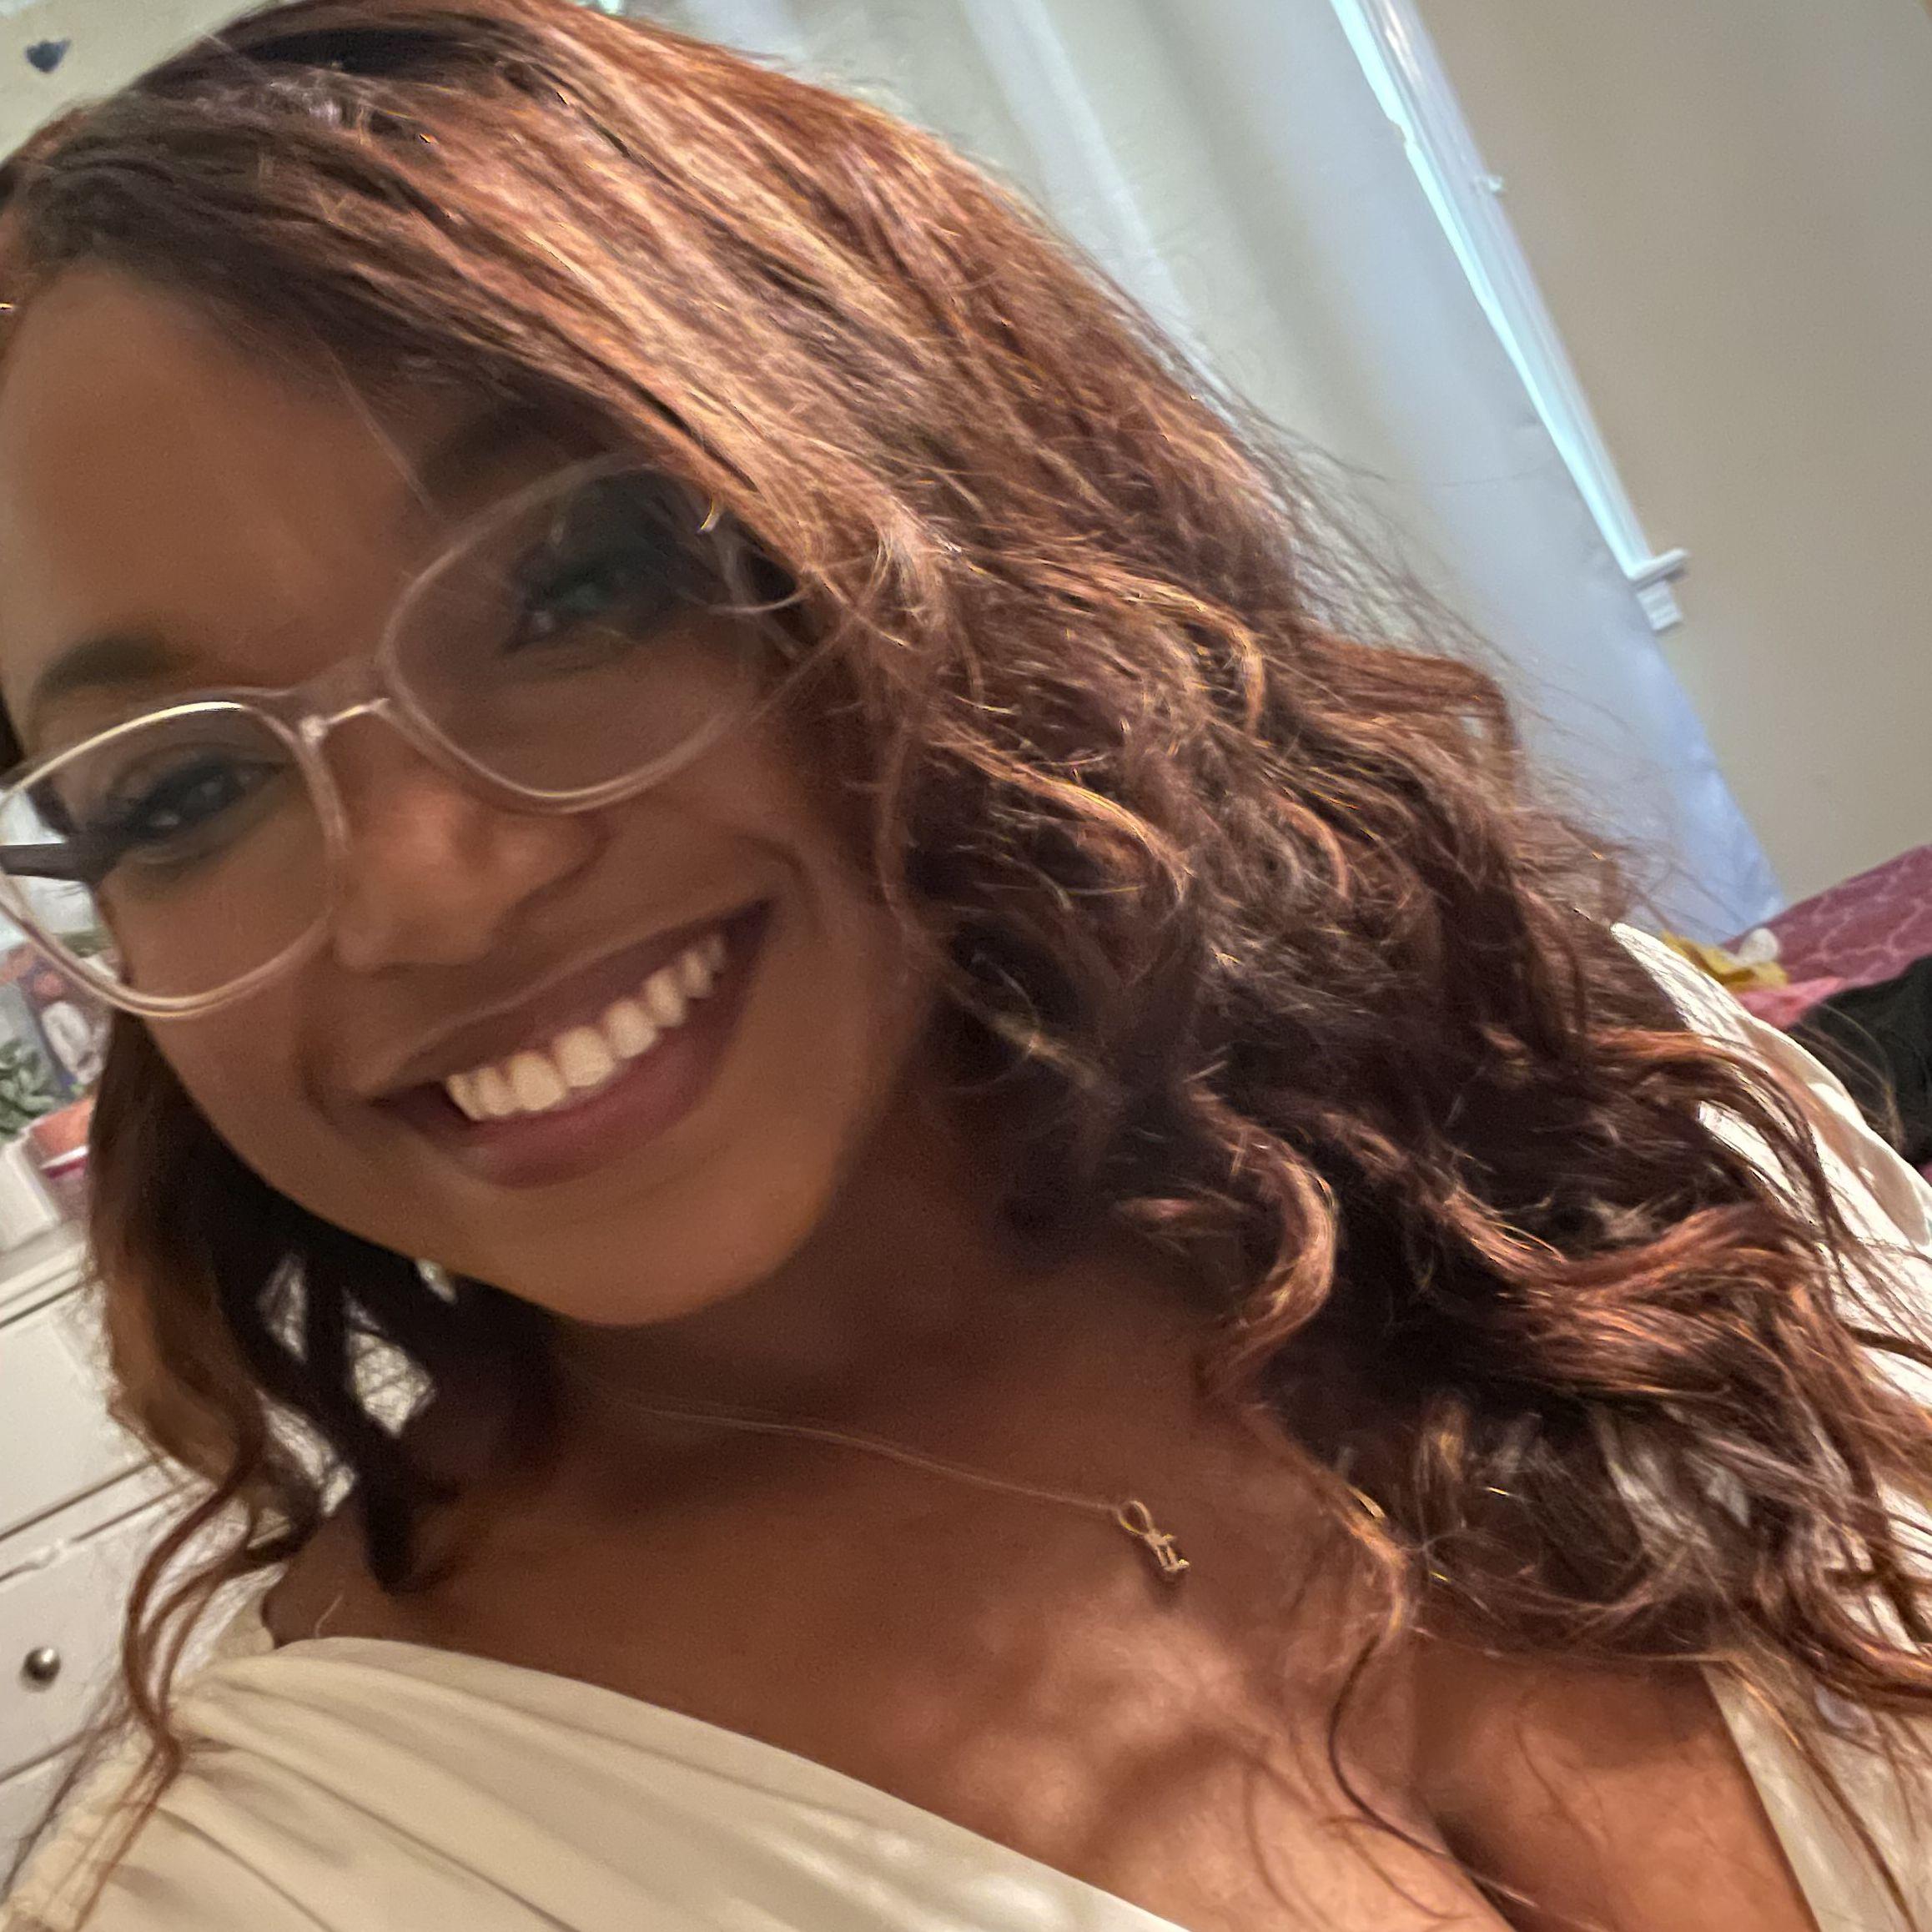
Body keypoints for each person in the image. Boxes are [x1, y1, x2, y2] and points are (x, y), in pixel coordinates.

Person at [0, 3, 1926, 1925]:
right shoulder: (277, 1889)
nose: (427, 890)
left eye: (575, 585)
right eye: (179, 793)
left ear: (937, 516)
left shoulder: (1605, 1111)